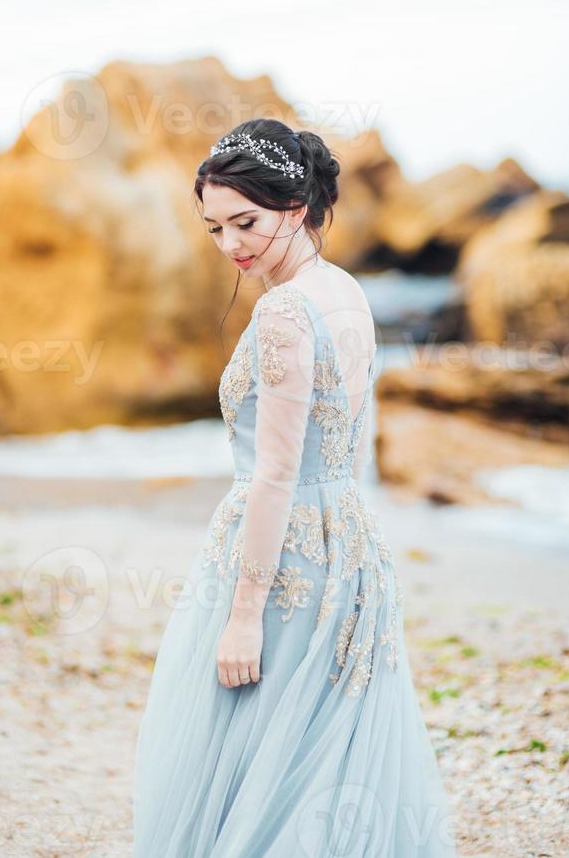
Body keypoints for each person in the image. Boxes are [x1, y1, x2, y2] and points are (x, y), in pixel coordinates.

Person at [132, 118, 458, 856]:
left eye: (245, 222)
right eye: (214, 228)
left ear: (298, 205)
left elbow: (276, 473)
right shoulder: (344, 290)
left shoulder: (284, 310)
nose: (230, 246)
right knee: (320, 750)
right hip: (347, 539)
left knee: (258, 746)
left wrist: (244, 615)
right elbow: (342, 440)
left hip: (281, 556)